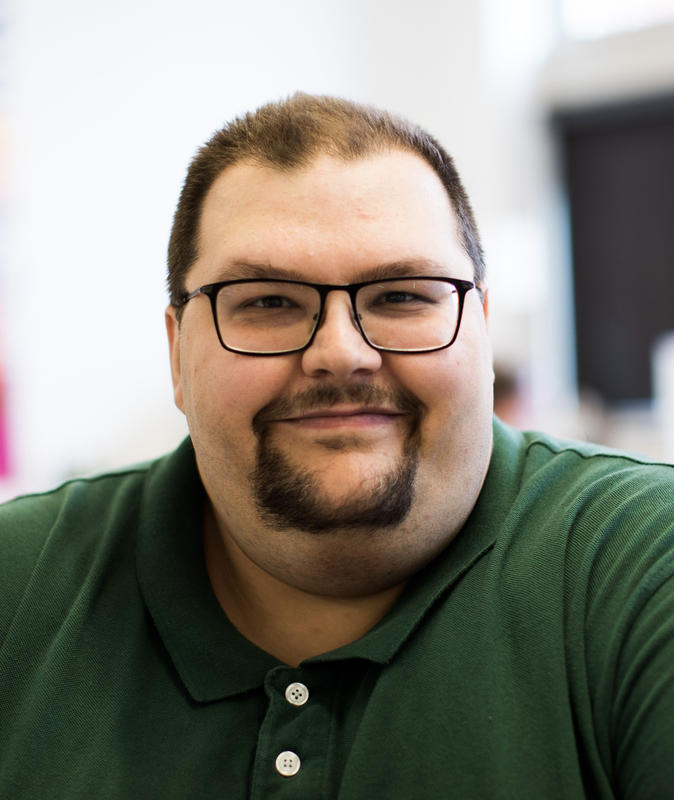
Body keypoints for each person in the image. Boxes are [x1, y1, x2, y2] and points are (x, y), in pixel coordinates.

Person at [1, 94, 673, 799]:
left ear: (479, 326)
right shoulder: (18, 587)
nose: (342, 353)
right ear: (177, 355)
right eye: (267, 301)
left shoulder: (641, 568)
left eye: (402, 296)